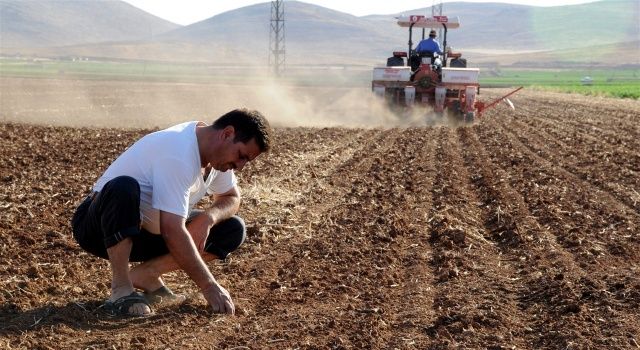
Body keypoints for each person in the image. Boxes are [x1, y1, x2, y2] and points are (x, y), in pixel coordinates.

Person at [71, 108, 272, 317]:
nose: (239, 166)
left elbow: (231, 197)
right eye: (241, 156)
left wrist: (207, 219)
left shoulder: (217, 159)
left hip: (148, 232)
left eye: (245, 161)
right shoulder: (178, 151)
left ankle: (148, 273)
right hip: (99, 228)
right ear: (227, 133)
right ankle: (121, 289)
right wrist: (209, 286)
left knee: (232, 228)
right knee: (123, 187)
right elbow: (172, 229)